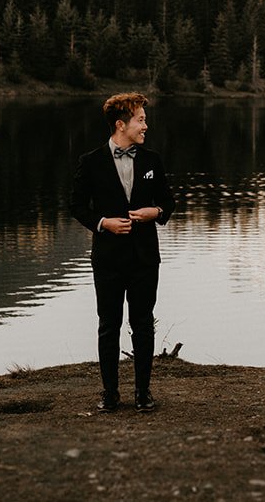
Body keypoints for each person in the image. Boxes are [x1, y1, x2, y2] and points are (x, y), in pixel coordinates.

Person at [69, 92, 175, 413]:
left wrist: (154, 213)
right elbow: (76, 206)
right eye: (140, 120)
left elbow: (168, 202)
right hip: (108, 259)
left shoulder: (152, 160)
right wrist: (104, 223)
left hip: (145, 259)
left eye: (144, 119)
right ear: (120, 125)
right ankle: (110, 394)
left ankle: (143, 393)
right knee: (108, 325)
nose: (145, 125)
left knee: (142, 324)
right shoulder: (91, 161)